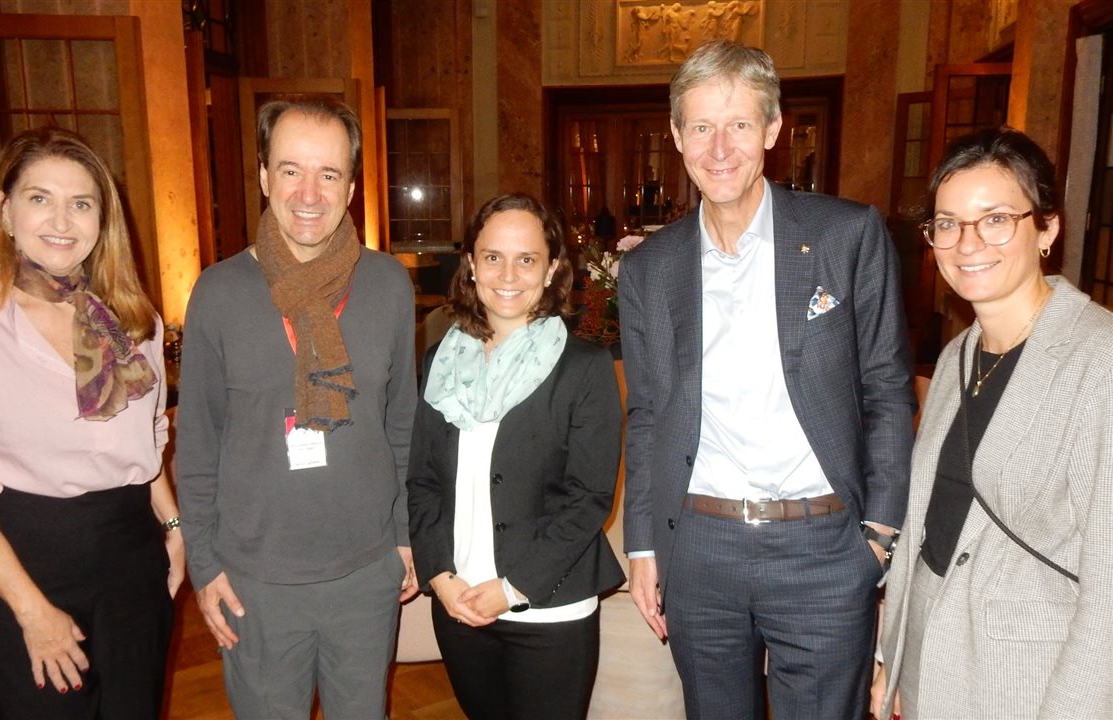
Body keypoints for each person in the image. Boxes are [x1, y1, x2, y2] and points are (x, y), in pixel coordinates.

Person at [618, 39, 916, 719]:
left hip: (824, 548)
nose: (719, 148)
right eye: (701, 127)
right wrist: (643, 543)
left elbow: (887, 389)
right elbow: (649, 414)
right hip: (699, 547)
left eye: (739, 125)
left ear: (773, 131)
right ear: (676, 136)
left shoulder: (847, 234)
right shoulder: (649, 270)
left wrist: (879, 536)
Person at [0, 127, 182, 719]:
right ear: (4, 210)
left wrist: (176, 527)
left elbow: (148, 439)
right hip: (25, 558)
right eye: (40, 198)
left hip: (132, 552)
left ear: (102, 219)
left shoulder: (131, 319)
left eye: (81, 203)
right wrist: (33, 612)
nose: (62, 219)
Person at [176, 97, 418, 719]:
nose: (309, 193)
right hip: (255, 579)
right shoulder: (218, 291)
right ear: (263, 175)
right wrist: (204, 565)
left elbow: (402, 424)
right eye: (290, 170)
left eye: (328, 174)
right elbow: (197, 441)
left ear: (351, 186)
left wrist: (406, 538)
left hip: (365, 571)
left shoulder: (389, 283)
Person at [871, 128, 1113, 719]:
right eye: (948, 223)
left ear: (1047, 228)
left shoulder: (1098, 360)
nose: (967, 243)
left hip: (1027, 677)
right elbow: (928, 518)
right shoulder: (958, 354)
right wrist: (892, 659)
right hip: (932, 651)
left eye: (996, 218)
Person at [407, 193, 625, 720]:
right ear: (471, 265)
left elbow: (589, 499)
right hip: (459, 600)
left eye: (526, 258)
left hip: (548, 605)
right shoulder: (442, 359)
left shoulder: (584, 368)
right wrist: (439, 575)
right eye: (492, 256)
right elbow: (422, 482)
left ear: (552, 268)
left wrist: (512, 588)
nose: (508, 273)